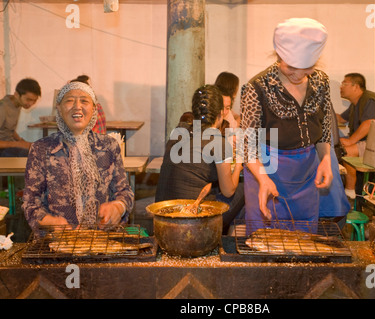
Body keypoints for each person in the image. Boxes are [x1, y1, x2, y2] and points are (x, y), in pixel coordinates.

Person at [240, 18, 333, 234]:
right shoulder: (257, 87)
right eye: (291, 67)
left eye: (307, 68)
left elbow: (325, 127)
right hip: (267, 171)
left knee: (303, 237)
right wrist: (262, 178)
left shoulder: (321, 82)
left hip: (306, 172)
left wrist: (326, 159)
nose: (299, 75)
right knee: (265, 237)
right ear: (279, 55)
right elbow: (248, 145)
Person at [22, 81, 134, 234]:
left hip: (102, 241)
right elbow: (30, 202)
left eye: (84, 101)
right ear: (59, 109)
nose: (77, 106)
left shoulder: (109, 146)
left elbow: (125, 192)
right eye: (69, 100)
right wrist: (49, 221)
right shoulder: (41, 149)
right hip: (56, 243)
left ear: (94, 109)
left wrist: (118, 207)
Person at [155, 85, 244, 234]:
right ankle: (232, 238)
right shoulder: (218, 142)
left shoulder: (179, 131)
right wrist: (240, 162)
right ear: (221, 113)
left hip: (162, 216)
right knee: (245, 187)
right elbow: (228, 191)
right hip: (192, 222)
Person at [336, 73, 375, 199]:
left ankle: (350, 193)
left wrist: (350, 141)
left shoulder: (369, 100)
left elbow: (369, 123)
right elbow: (341, 119)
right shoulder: (355, 103)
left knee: (346, 151)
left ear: (355, 87)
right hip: (369, 143)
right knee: (338, 147)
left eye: (344, 83)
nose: (341, 87)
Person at [0, 78, 41, 157]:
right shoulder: (2, 108)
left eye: (34, 100)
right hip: (2, 149)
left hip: (9, 144)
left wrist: (21, 141)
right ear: (16, 95)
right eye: (28, 99)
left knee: (39, 149)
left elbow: (8, 129)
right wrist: (18, 144)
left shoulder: (18, 104)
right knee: (30, 155)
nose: (31, 103)